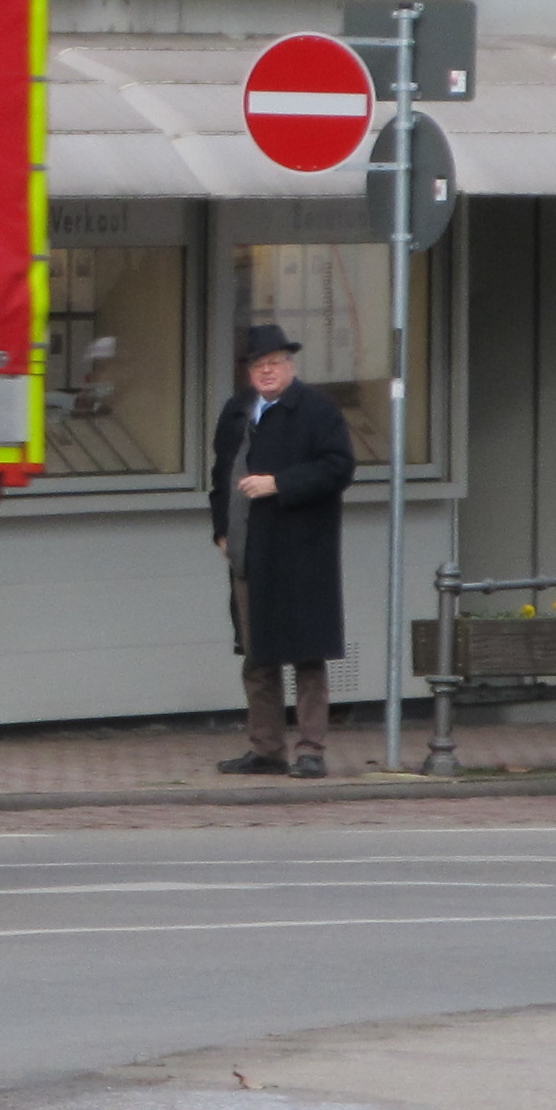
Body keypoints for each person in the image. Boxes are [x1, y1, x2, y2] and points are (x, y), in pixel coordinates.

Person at [210, 324, 357, 777]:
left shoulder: (317, 410)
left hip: (300, 552)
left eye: (274, 362)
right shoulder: (237, 411)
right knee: (257, 655)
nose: (267, 370)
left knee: (306, 654)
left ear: (291, 366)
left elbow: (339, 467)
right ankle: (267, 749)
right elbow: (220, 475)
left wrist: (280, 484)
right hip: (249, 550)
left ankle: (310, 749)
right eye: (258, 364)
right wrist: (221, 530)